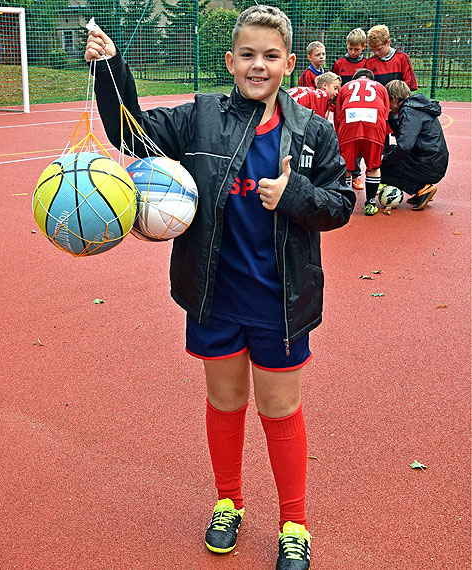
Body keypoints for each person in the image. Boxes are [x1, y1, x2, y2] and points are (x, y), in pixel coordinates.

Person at [85, 6, 355, 569]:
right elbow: (128, 131)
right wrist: (112, 68)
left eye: (271, 56)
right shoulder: (200, 118)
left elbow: (341, 204)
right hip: (215, 294)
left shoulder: (313, 132)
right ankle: (229, 501)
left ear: (288, 63)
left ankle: (293, 523)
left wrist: (296, 196)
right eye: (248, 55)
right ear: (230, 61)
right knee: (225, 400)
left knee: (279, 409)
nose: (259, 66)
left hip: (281, 300)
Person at [381, 80, 449, 210]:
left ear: (394, 99)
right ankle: (420, 189)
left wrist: (386, 161)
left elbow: (405, 146)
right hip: (433, 160)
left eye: (387, 101)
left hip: (428, 164)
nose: (387, 106)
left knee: (379, 168)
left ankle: (422, 189)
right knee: (387, 151)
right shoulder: (416, 106)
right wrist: (392, 118)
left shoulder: (409, 111)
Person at [334, 68, 389, 215]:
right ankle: (370, 203)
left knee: (346, 166)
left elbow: (338, 116)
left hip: (349, 124)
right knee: (373, 166)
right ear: (372, 79)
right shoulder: (381, 88)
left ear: (354, 79)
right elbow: (385, 114)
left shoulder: (346, 87)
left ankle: (345, 203)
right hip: (374, 126)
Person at [332, 28, 369, 190]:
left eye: (357, 49)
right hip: (344, 110)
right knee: (344, 142)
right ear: (346, 45)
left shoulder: (367, 64)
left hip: (362, 110)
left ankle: (356, 174)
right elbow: (335, 85)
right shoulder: (339, 64)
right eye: (350, 48)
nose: (353, 52)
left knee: (360, 141)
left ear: (363, 47)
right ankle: (345, 173)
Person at [366, 25, 418, 90]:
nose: (376, 53)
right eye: (373, 49)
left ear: (388, 42)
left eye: (379, 49)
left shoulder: (402, 58)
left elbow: (410, 84)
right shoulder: (370, 63)